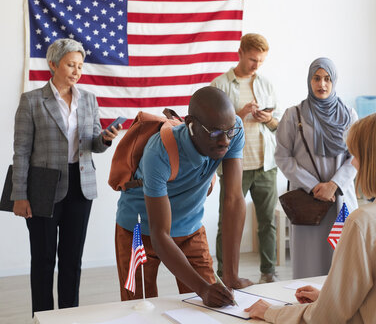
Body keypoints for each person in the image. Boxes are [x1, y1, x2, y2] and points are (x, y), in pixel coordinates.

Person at [245, 111, 376, 323]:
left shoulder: (363, 223)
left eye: (357, 156)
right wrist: (328, 297)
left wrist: (271, 312)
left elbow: (325, 318)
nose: (353, 164)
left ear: (374, 161)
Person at [115, 86, 252, 307]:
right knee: (139, 307)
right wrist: (203, 289)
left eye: (229, 132)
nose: (225, 141)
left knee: (213, 305)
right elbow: (161, 234)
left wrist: (231, 276)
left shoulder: (233, 128)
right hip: (140, 230)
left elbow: (234, 200)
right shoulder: (158, 151)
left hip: (190, 228)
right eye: (216, 133)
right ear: (191, 124)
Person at [11, 38, 120, 315]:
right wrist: (19, 195)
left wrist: (104, 139)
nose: (76, 71)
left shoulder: (89, 100)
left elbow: (91, 144)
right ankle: (43, 317)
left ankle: (69, 317)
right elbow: (21, 152)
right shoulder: (31, 101)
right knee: (44, 259)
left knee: (72, 260)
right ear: (53, 64)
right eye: (71, 64)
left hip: (80, 188)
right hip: (43, 187)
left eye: (80, 66)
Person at [275, 57, 358, 279]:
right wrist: (314, 187)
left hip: (340, 200)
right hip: (307, 202)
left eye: (328, 79)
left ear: (334, 82)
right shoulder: (294, 115)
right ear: (309, 80)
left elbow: (356, 156)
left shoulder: (349, 115)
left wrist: (334, 185)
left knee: (342, 264)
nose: (322, 84)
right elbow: (283, 157)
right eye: (317, 78)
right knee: (308, 266)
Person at [211, 33, 280, 284]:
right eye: (252, 59)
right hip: (233, 167)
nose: (256, 65)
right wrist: (237, 116)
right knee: (226, 224)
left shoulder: (266, 84)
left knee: (267, 223)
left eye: (261, 61)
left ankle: (268, 274)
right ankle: (223, 276)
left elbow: (278, 125)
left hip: (265, 165)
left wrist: (268, 119)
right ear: (240, 52)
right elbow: (211, 130)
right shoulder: (219, 85)